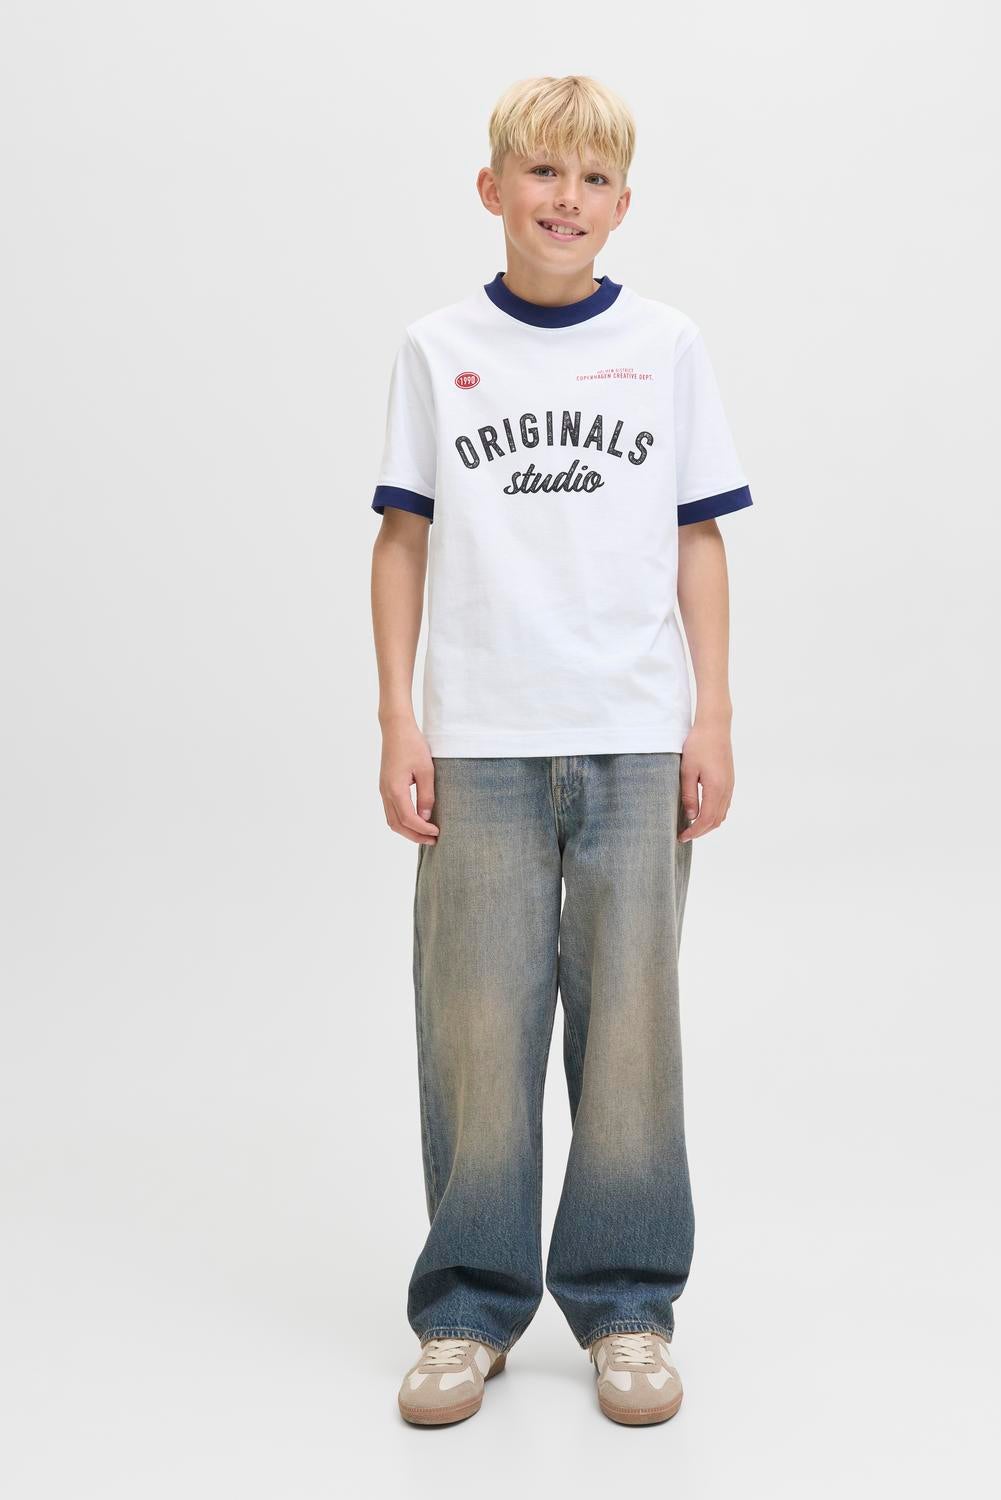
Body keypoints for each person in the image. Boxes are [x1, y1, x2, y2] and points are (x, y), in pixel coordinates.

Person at [369, 74, 753, 1427]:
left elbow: (697, 537)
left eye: (592, 181)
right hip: (481, 741)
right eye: (542, 173)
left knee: (631, 1034)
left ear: (622, 205)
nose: (565, 200)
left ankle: (627, 1304)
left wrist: (711, 714)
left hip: (634, 738)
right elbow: (402, 538)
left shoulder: (664, 346)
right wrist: (399, 716)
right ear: (492, 188)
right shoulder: (437, 349)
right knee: (478, 1030)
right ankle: (467, 1309)